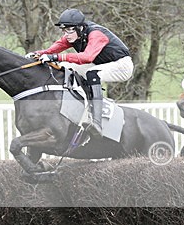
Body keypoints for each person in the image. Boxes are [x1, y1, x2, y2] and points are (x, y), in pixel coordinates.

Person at [26, 8, 133, 136]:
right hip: (100, 64)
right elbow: (53, 50)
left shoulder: (96, 34)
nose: (66, 34)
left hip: (122, 65)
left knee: (92, 73)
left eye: (70, 30)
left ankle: (97, 123)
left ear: (80, 28)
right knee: (62, 66)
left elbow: (87, 57)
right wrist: (37, 54)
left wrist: (56, 57)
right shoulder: (74, 35)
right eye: (64, 30)